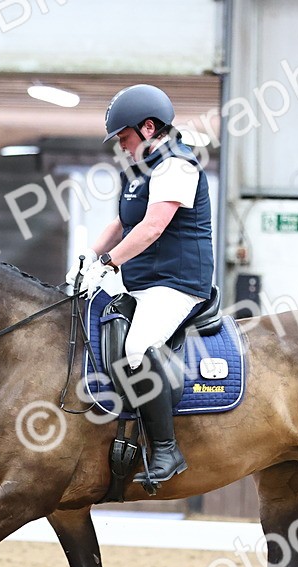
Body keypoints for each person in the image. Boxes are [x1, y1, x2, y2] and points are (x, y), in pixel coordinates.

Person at [76, 83, 215, 485]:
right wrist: (87, 259)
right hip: (141, 280)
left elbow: (153, 228)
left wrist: (109, 262)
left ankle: (167, 451)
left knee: (136, 347)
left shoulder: (178, 166)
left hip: (176, 283)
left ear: (149, 128)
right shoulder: (137, 170)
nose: (120, 145)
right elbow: (122, 223)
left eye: (124, 136)